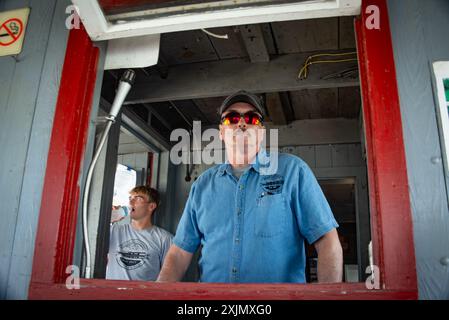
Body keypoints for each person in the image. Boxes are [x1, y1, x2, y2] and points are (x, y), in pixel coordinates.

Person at [157, 90, 343, 283]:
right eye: (232, 118)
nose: (242, 123)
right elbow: (179, 251)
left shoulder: (293, 171)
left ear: (261, 132)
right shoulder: (202, 185)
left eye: (252, 118)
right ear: (221, 132)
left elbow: (327, 241)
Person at [106, 185, 173, 281]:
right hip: (111, 294)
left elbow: (169, 276)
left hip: (144, 295)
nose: (130, 202)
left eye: (137, 199)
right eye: (130, 198)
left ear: (151, 206)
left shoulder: (165, 238)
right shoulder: (114, 231)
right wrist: (106, 219)